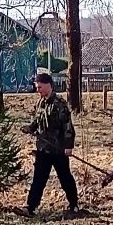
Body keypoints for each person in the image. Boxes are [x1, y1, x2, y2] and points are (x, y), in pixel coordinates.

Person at [20, 72, 79, 217]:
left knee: (65, 178)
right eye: (37, 87)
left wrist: (68, 146)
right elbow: (37, 121)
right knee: (38, 179)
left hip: (58, 150)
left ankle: (74, 205)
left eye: (40, 87)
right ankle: (31, 207)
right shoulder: (41, 102)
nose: (38, 90)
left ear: (48, 85)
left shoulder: (59, 104)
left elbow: (68, 127)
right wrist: (30, 128)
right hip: (43, 149)